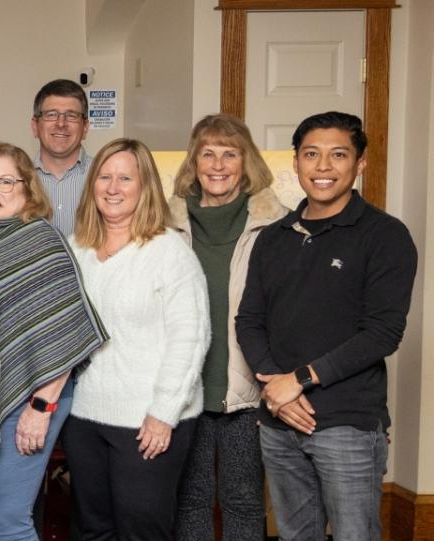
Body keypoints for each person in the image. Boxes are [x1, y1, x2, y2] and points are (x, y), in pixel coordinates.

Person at [236, 112, 417, 540]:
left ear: (360, 163)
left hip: (347, 424)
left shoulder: (385, 235)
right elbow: (249, 320)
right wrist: (275, 388)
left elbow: (383, 332)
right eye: (311, 155)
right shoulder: (273, 237)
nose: (323, 167)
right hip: (280, 421)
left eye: (338, 155)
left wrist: (298, 380)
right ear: (295, 162)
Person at [0, 142, 106, 541]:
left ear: (27, 189)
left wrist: (41, 407)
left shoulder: (41, 241)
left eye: (6, 181)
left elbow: (65, 333)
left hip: (32, 396)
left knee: (5, 520)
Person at [63, 138, 210, 539]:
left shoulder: (169, 251)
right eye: (104, 177)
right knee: (91, 529)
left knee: (142, 529)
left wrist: (164, 413)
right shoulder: (77, 250)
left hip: (148, 419)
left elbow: (191, 337)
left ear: (144, 186)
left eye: (125, 178)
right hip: (85, 415)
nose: (113, 187)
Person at [169, 114, 287, 541]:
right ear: (194, 162)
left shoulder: (278, 226)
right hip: (185, 391)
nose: (218, 165)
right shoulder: (165, 226)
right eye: (208, 154)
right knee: (190, 500)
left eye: (230, 154)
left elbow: (288, 313)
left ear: (246, 161)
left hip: (249, 391)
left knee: (243, 501)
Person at [31, 79, 92, 236]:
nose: (61, 123)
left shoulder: (105, 177)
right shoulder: (16, 181)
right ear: (35, 126)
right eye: (51, 115)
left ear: (85, 127)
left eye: (71, 115)